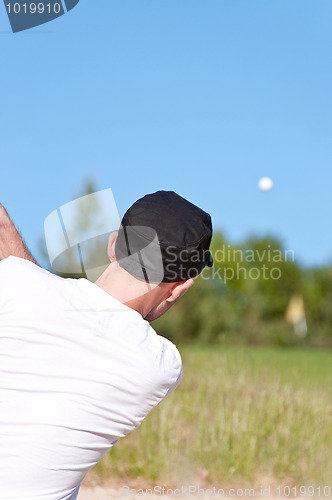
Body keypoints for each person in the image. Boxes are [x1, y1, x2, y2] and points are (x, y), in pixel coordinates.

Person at [0, 190, 213, 500]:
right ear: (179, 289)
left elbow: (27, 279)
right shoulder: (159, 366)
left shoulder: (16, 286)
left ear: (113, 243)